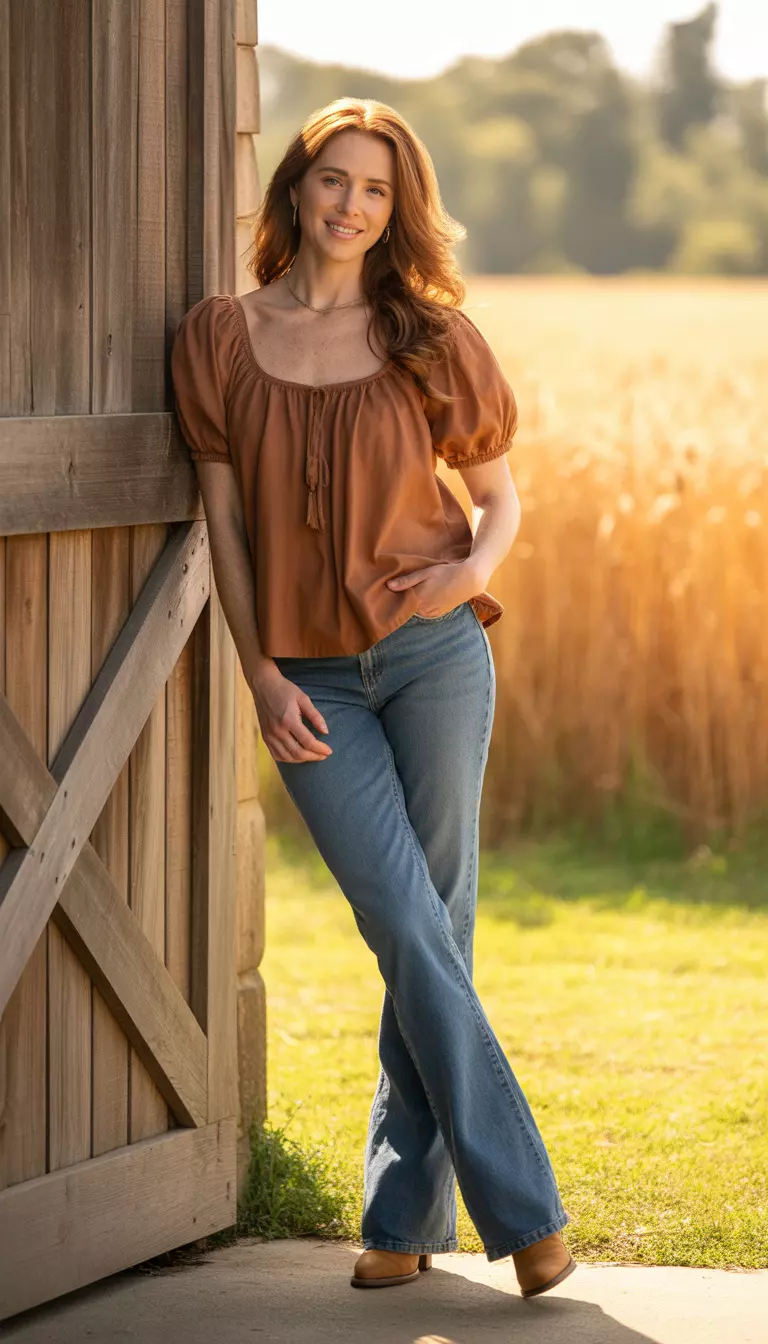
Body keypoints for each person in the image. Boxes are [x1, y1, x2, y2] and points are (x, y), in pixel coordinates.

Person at [171, 96, 575, 1299]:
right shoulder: (218, 338)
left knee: (430, 927)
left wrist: (472, 569)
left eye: (378, 189)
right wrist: (256, 672)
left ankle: (401, 1220)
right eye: (333, 179)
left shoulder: (429, 336)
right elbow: (226, 525)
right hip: (309, 682)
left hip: (435, 654)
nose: (352, 204)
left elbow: (500, 500)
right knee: (408, 922)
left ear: (398, 211)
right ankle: (527, 1212)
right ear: (295, 190)